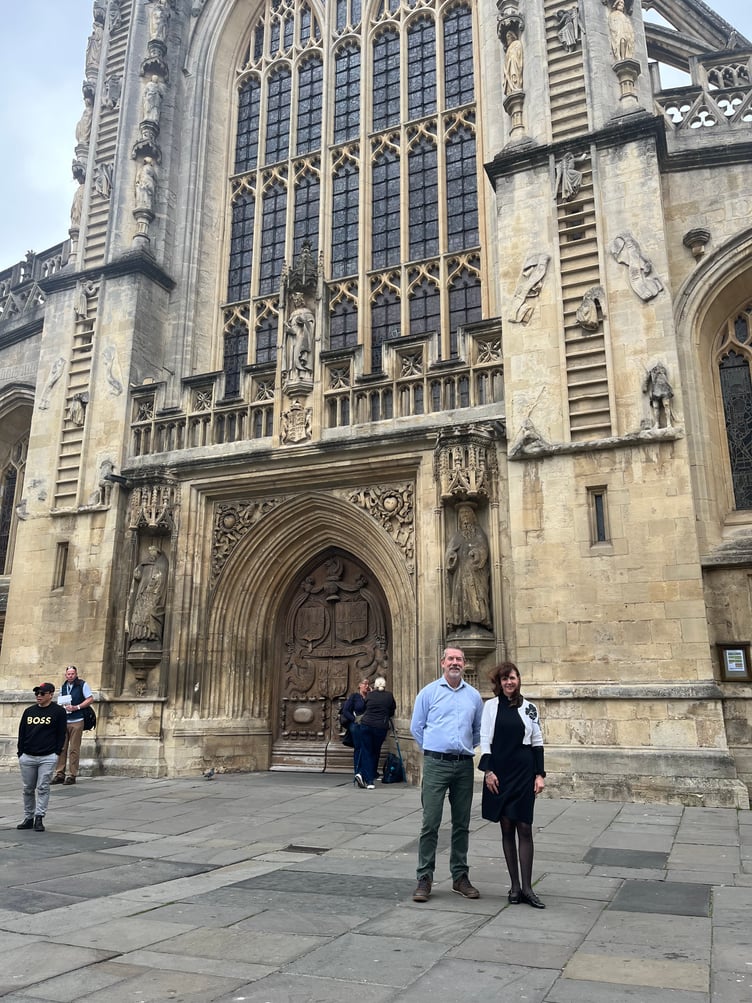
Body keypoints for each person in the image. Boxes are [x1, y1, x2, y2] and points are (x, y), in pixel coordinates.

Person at [410, 646, 484, 902]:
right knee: (430, 822)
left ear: (464, 663)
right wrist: (434, 748)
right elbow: (416, 727)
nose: (455, 663)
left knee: (462, 823)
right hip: (436, 764)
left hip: (463, 765)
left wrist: (462, 747)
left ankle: (460, 876)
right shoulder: (428, 692)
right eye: (451, 659)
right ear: (442, 662)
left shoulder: (474, 696)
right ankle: (424, 877)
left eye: (459, 659)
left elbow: (478, 730)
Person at [480, 662, 546, 908]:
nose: (509, 682)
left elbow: (537, 741)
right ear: (499, 683)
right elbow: (485, 739)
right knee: (507, 827)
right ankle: (515, 886)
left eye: (513, 678)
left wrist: (539, 775)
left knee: (525, 827)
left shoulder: (529, 708)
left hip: (524, 772)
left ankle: (528, 888)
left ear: (519, 680)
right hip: (501, 773)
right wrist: (488, 771)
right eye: (505, 679)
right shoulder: (490, 707)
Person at [17, 683, 68, 832]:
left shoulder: (58, 712)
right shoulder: (29, 711)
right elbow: (22, 732)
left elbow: (61, 734)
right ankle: (28, 817)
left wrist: (56, 752)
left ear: (51, 695)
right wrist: (21, 752)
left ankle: (39, 817)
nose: (38, 696)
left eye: (42, 693)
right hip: (28, 756)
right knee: (28, 788)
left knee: (43, 787)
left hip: (47, 756)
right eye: (37, 693)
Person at [445, 504, 492, 630]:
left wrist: (477, 553)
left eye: (467, 513)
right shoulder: (457, 536)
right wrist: (452, 557)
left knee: (475, 597)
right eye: (462, 514)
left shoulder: (478, 533)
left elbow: (483, 548)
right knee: (460, 597)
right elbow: (449, 553)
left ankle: (475, 623)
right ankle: (459, 623)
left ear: (472, 516)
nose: (465, 516)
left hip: (475, 573)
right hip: (460, 574)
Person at [52, 666, 95, 786]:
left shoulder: (82, 685)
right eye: (68, 674)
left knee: (74, 749)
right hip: (64, 720)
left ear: (76, 674)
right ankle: (60, 773)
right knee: (61, 747)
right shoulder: (63, 686)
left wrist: (77, 707)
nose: (70, 676)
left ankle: (72, 774)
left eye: (72, 674)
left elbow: (90, 699)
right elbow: (60, 700)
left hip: (77, 720)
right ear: (65, 675)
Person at [357, 676, 396, 789]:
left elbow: (364, 707)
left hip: (366, 725)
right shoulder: (389, 696)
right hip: (380, 727)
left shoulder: (370, 695)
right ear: (384, 685)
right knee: (375, 751)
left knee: (367, 751)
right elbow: (392, 710)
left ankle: (366, 777)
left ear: (375, 686)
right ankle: (368, 776)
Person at [127, 542, 169, 645]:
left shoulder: (162, 564)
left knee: (150, 613)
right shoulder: (144, 563)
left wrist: (154, 584)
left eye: (153, 551)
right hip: (143, 593)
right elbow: (139, 575)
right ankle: (138, 636)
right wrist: (137, 574)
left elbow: (161, 577)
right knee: (139, 614)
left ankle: (151, 636)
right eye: (150, 552)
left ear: (158, 553)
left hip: (154, 593)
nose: (151, 554)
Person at [340, 677, 370, 781]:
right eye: (364, 684)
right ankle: (358, 772)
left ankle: (367, 772)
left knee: (367, 748)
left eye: (368, 684)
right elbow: (345, 711)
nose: (367, 686)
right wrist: (354, 719)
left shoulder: (370, 697)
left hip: (367, 725)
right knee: (359, 747)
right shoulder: (354, 697)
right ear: (359, 685)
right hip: (356, 725)